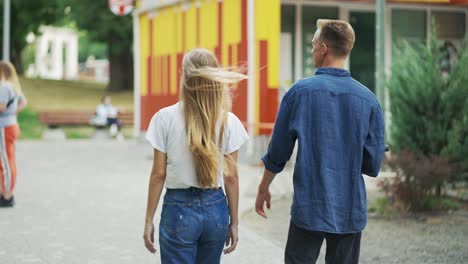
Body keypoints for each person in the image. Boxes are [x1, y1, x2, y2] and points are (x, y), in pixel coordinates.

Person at [255, 19, 385, 264]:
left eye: (313, 44)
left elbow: (278, 152)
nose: (312, 49)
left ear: (324, 48)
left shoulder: (299, 93)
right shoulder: (368, 100)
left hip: (309, 207)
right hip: (350, 210)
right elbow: (372, 164)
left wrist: (263, 188)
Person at [143, 48, 249, 264]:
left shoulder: (164, 118)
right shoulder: (229, 122)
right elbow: (231, 177)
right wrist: (234, 223)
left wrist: (148, 220)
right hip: (216, 209)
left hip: (178, 209)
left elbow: (158, 174)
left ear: (184, 75)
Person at [0, 61, 28, 207]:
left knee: (5, 161)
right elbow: (24, 102)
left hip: (3, 126)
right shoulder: (14, 86)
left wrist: (10, 111)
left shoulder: (4, 87)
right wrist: (14, 112)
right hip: (11, 124)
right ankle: (5, 190)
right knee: (8, 160)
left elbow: (2, 107)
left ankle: (7, 194)